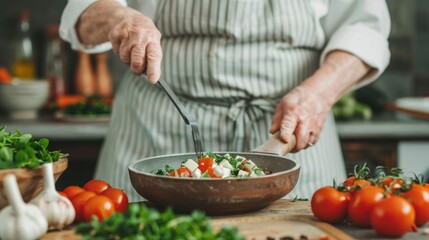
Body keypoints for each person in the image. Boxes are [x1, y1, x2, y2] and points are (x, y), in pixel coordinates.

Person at [59, 0, 390, 201]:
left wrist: (319, 94)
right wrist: (119, 18)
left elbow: (366, 26)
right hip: (156, 126)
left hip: (291, 124)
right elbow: (84, 11)